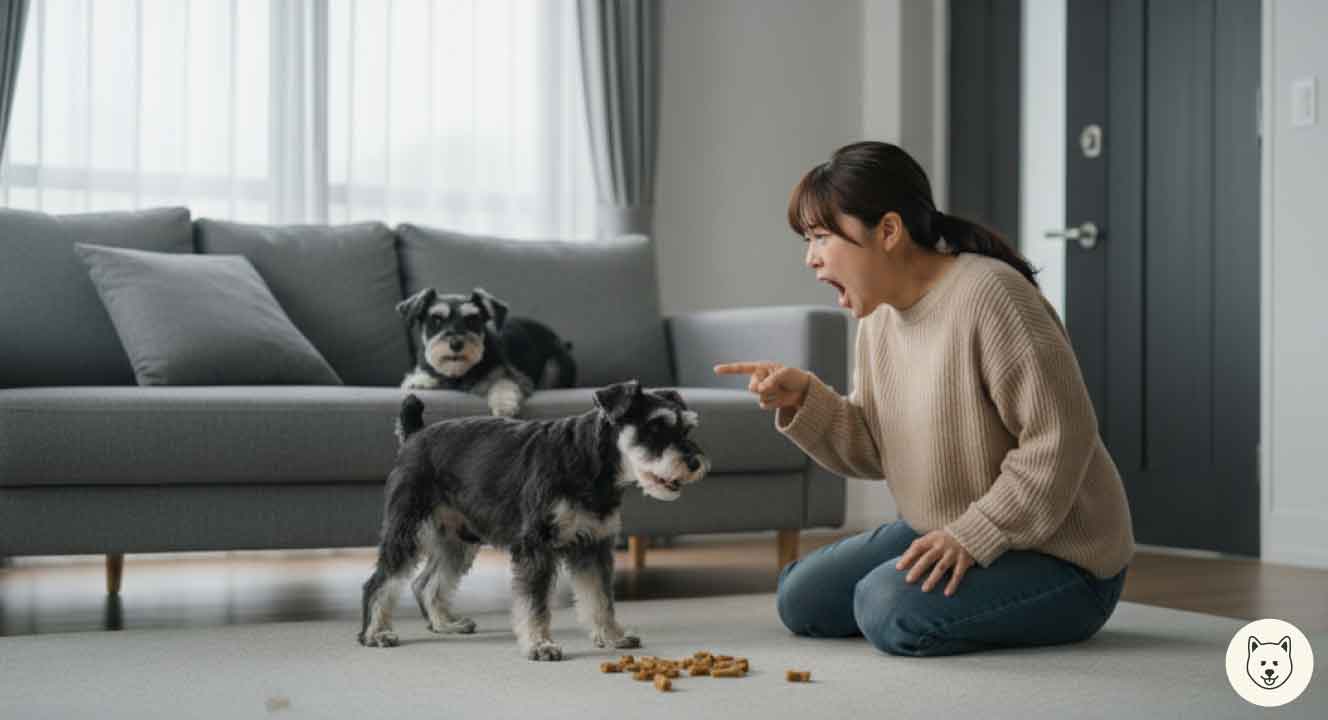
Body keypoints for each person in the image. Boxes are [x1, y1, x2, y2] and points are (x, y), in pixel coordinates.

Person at [714, 141, 1134, 658]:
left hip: (1062, 557)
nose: (811, 258)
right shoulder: (878, 317)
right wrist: (804, 400)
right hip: (948, 529)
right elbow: (877, 450)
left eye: (822, 237)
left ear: (888, 230)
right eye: (808, 240)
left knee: (886, 605)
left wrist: (975, 534)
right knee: (802, 596)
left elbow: (1061, 439)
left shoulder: (991, 295)